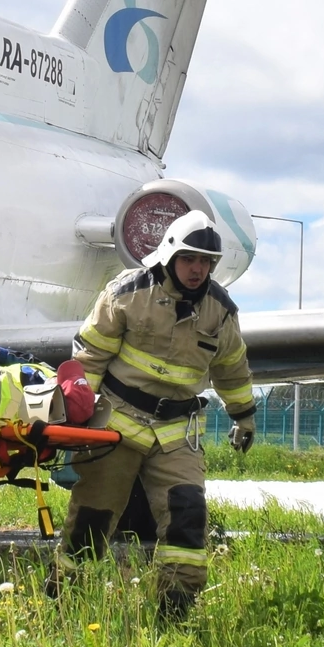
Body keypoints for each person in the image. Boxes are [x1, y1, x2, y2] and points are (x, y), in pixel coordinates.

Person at [52, 210, 256, 621]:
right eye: (190, 259)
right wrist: (75, 413)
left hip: (177, 433)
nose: (198, 269)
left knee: (188, 517)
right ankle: (61, 602)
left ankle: (174, 616)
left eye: (206, 262)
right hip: (118, 423)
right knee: (92, 519)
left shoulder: (221, 311)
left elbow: (232, 368)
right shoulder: (126, 293)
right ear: (170, 255)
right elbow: (90, 356)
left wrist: (244, 416)